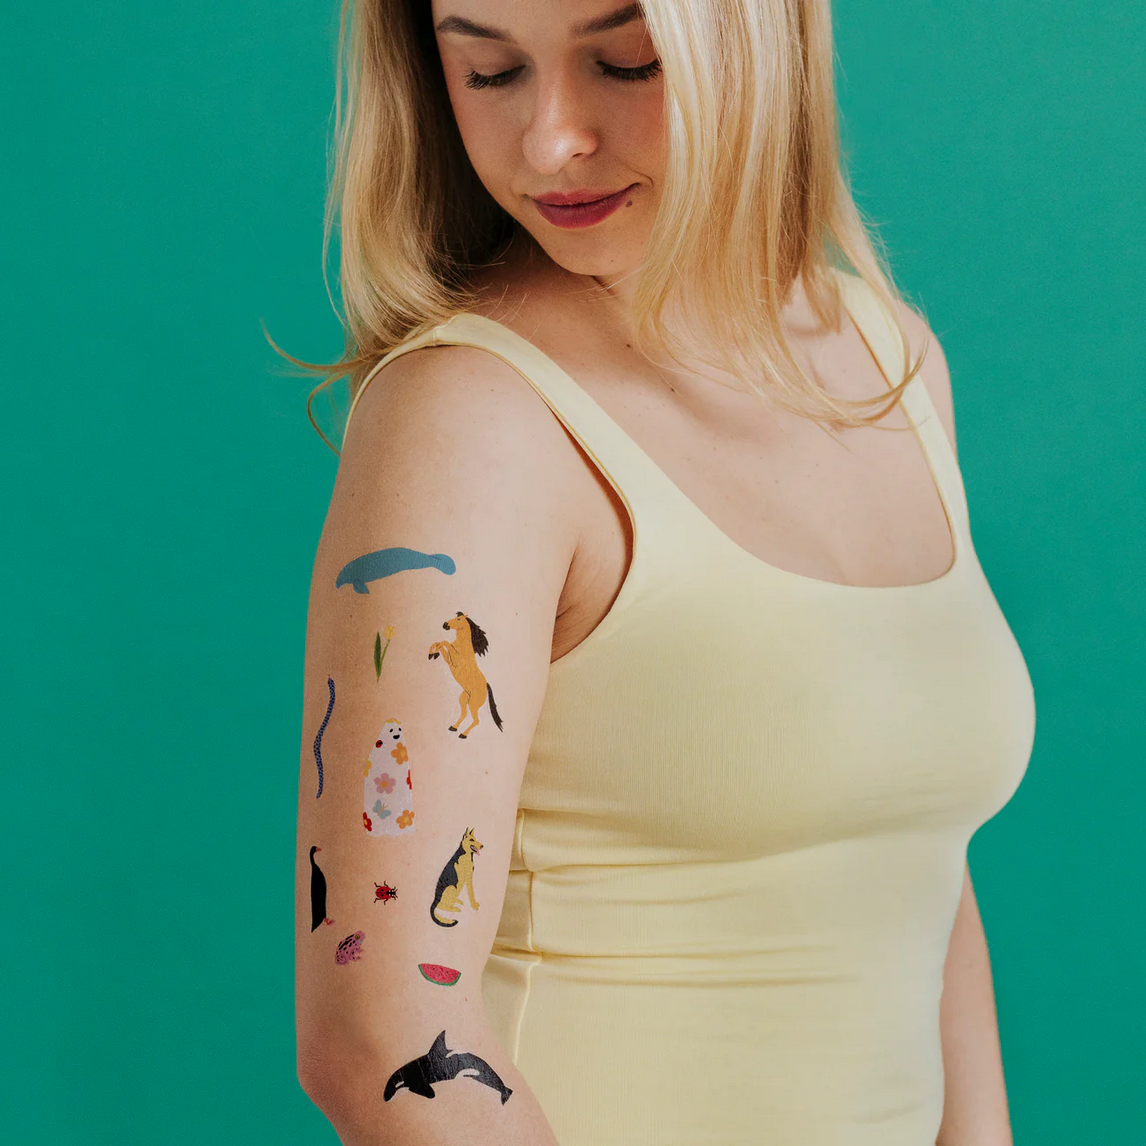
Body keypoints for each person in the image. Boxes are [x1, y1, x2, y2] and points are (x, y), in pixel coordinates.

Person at [292, 2, 1036, 1143]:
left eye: (623, 62)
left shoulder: (889, 360)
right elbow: (381, 1028)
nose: (550, 139)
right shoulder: (475, 419)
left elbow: (914, 854)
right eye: (488, 72)